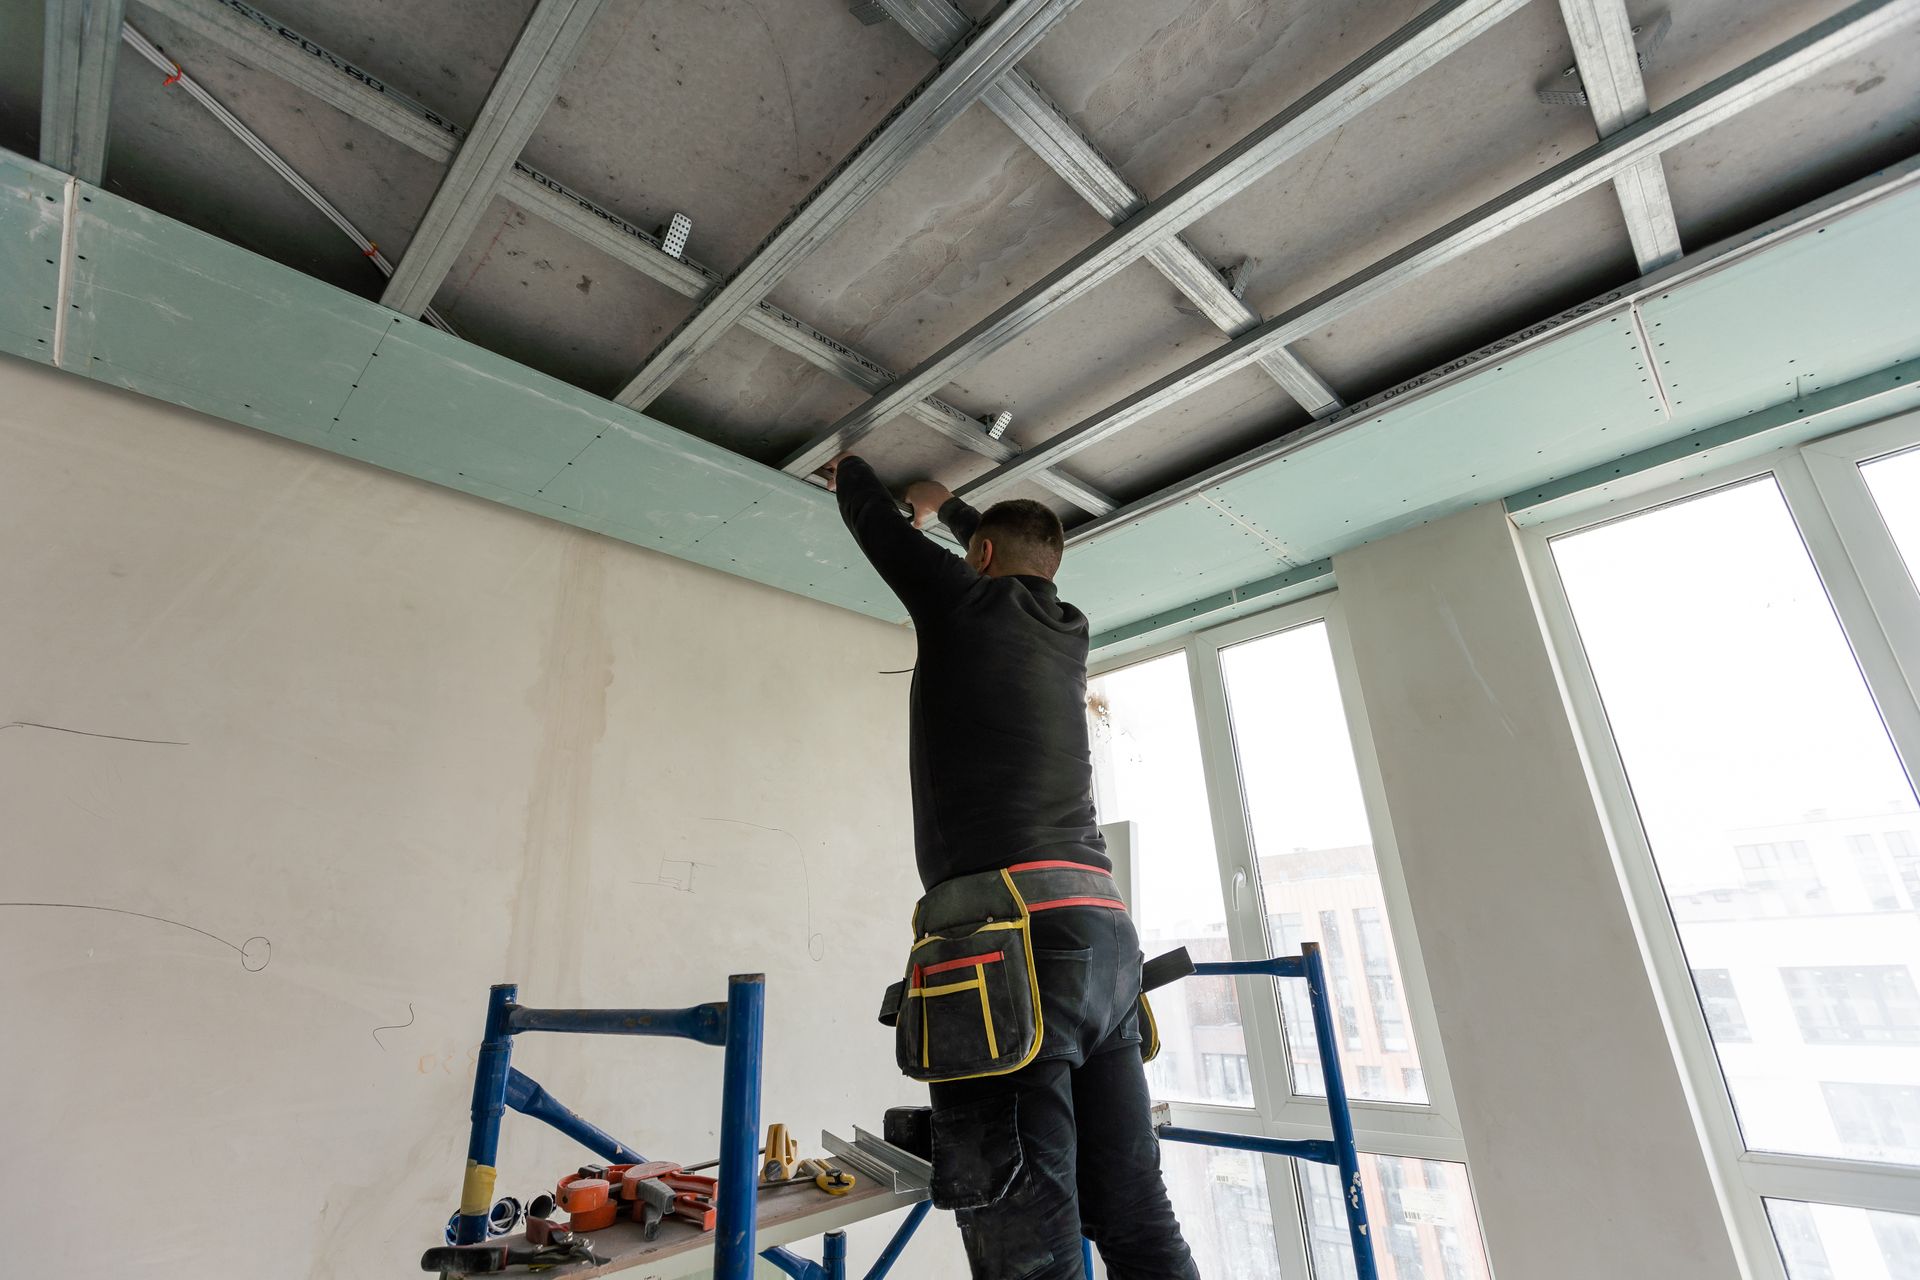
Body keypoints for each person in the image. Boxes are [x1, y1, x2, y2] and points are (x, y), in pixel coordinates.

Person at [827, 452, 1199, 1280]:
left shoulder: (963, 601)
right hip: (1106, 948)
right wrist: (953, 507)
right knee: (1136, 1215)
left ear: (981, 563)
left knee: (1028, 1239)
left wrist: (851, 468)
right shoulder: (1068, 627)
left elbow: (877, 528)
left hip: (1011, 943)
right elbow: (1012, 555)